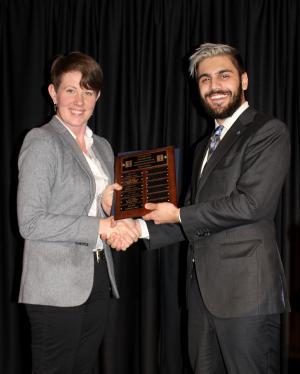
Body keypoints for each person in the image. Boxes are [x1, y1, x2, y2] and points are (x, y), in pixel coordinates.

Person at [111, 43, 291, 373]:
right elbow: (195, 215)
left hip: (246, 296)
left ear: (245, 80)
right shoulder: (203, 147)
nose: (214, 86)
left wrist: (178, 214)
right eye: (205, 79)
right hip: (200, 297)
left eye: (224, 75)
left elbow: (251, 204)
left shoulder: (268, 131)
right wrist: (137, 228)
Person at [17, 51, 139, 374]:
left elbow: (97, 207)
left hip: (98, 277)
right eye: (70, 90)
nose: (79, 100)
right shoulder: (42, 141)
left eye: (88, 91)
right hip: (54, 286)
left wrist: (112, 208)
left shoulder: (103, 147)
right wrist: (99, 225)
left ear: (97, 96)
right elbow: (30, 222)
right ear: (53, 93)